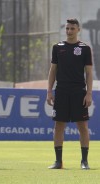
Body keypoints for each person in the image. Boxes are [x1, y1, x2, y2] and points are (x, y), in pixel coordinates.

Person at [47, 18, 93, 170]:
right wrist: (49, 91)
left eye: (72, 28)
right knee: (59, 125)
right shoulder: (57, 47)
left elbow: (89, 73)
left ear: (78, 30)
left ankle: (84, 161)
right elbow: (53, 70)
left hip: (79, 92)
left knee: (83, 126)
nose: (69, 31)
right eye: (67, 28)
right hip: (61, 91)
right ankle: (58, 162)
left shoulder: (85, 48)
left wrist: (88, 93)